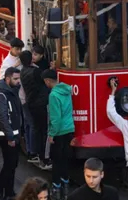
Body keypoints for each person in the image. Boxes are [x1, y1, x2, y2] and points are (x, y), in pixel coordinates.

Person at [0, 67, 24, 200]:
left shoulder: (12, 91)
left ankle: (9, 191)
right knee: (9, 164)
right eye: (15, 79)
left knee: (12, 163)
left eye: (19, 78)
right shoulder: (1, 95)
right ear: (8, 79)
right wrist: (10, 136)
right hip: (6, 136)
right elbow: (3, 117)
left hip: (13, 134)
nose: (18, 82)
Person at [42, 69, 74, 198]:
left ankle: (56, 187)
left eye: (45, 82)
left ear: (48, 81)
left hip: (59, 131)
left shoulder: (53, 95)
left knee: (56, 161)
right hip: (69, 128)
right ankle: (66, 186)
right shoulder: (66, 90)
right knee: (65, 159)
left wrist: (51, 134)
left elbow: (56, 118)